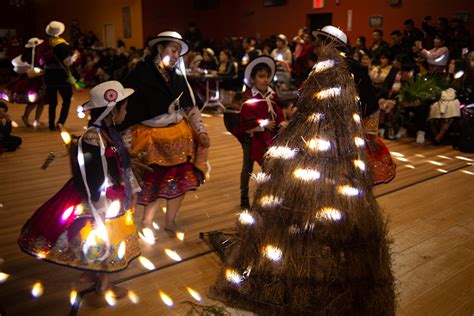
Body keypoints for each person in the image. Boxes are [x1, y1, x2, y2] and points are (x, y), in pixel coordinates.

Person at [18, 81, 141, 297]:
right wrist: (101, 211)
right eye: (124, 107)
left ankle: (91, 273)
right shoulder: (94, 139)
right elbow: (95, 179)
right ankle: (105, 284)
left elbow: (122, 164)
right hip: (101, 199)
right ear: (112, 111)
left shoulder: (108, 133)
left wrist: (133, 188)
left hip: (108, 194)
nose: (127, 111)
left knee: (92, 237)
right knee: (108, 238)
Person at [119, 31, 210, 237]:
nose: (177, 55)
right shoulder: (139, 75)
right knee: (155, 184)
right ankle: (147, 222)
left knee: (179, 182)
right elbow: (126, 110)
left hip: (179, 139)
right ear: (159, 48)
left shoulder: (178, 79)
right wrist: (125, 144)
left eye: (179, 52)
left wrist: (201, 130)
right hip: (151, 141)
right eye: (173, 50)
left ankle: (171, 221)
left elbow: (190, 106)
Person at [314, 25, 396, 185]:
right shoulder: (321, 68)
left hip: (352, 126)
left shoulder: (354, 69)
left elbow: (369, 102)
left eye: (318, 45)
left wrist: (367, 132)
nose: (315, 50)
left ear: (331, 45)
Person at [235, 56, 285, 208]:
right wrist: (263, 124)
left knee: (269, 166)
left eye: (267, 76)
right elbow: (246, 121)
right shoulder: (249, 97)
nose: (265, 80)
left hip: (269, 138)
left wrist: (282, 122)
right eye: (261, 76)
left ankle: (266, 195)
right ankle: (244, 197)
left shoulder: (272, 95)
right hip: (251, 138)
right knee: (247, 168)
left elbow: (278, 112)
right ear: (253, 78)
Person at [3, 37, 47, 127]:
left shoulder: (24, 55)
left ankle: (35, 119)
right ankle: (27, 117)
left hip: (31, 79)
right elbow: (41, 67)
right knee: (36, 101)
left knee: (39, 101)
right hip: (34, 80)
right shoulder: (36, 56)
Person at [44, 21, 79, 131]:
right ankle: (60, 122)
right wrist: (75, 56)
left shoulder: (45, 45)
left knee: (52, 102)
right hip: (62, 77)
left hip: (49, 76)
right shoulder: (62, 45)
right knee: (66, 100)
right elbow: (67, 62)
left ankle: (51, 124)